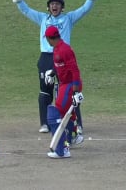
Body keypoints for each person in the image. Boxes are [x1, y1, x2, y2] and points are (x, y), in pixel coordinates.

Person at [9, 0, 100, 134]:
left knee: (70, 91)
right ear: (48, 6)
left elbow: (85, 9)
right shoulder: (43, 18)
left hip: (64, 57)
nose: (54, 6)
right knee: (45, 91)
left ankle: (77, 124)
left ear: (62, 7)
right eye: (52, 4)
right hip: (46, 58)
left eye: (57, 4)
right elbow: (25, 10)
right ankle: (45, 123)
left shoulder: (69, 18)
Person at [44, 26, 84, 158]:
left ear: (50, 38)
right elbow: (61, 67)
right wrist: (52, 74)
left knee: (58, 114)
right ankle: (73, 136)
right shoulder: (56, 49)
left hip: (70, 85)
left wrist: (76, 91)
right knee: (68, 114)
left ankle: (63, 149)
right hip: (63, 85)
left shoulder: (65, 50)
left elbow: (74, 70)